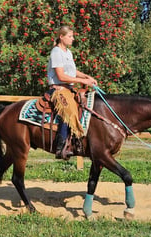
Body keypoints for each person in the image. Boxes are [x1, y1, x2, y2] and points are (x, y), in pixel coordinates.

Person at [47, 26, 97, 159]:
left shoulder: (68, 52)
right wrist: (83, 81)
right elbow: (62, 76)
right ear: (61, 37)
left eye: (72, 36)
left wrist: (86, 77)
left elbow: (72, 71)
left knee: (83, 107)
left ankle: (77, 141)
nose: (73, 39)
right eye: (70, 36)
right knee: (69, 111)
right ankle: (61, 146)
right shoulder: (56, 52)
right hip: (58, 89)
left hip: (69, 89)